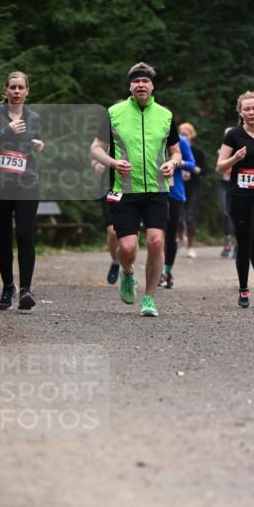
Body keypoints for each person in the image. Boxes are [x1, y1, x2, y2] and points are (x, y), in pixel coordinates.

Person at [90, 62, 181, 318]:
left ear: (152, 86)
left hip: (157, 190)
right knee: (128, 248)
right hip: (123, 190)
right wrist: (112, 162)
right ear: (130, 86)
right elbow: (95, 148)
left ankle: (150, 298)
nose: (141, 85)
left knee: (155, 241)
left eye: (145, 81)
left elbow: (176, 151)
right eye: (136, 81)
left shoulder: (165, 115)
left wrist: (172, 163)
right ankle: (127, 274)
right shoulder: (114, 113)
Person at [0, 70, 44, 310]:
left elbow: (32, 142)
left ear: (27, 91)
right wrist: (7, 131)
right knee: (2, 238)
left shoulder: (33, 117)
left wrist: (38, 143)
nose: (16, 91)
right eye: (12, 87)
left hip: (27, 183)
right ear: (5, 89)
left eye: (20, 88)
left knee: (25, 234)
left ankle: (26, 290)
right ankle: (8, 287)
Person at [216, 90, 254, 307]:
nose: (251, 112)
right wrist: (235, 158)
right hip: (238, 196)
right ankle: (243, 289)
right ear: (240, 112)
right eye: (246, 109)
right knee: (244, 242)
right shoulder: (233, 135)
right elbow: (220, 166)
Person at [159, 131, 196, 288]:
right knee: (155, 235)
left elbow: (191, 164)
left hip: (175, 193)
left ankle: (167, 272)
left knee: (170, 233)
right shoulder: (148, 136)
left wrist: (176, 163)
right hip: (153, 192)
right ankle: (157, 271)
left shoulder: (181, 141)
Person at [177, 121, 205, 258]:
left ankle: (191, 246)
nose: (183, 136)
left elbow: (204, 169)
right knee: (177, 216)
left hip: (193, 186)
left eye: (186, 134)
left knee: (189, 216)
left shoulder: (197, 151)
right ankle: (179, 239)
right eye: (181, 133)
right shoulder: (175, 149)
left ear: (191, 135)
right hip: (178, 185)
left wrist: (193, 169)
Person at [92, 158, 120, 285]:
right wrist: (97, 164)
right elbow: (94, 157)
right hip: (111, 189)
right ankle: (115, 262)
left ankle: (128, 270)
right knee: (113, 231)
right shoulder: (104, 138)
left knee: (131, 233)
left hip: (134, 187)